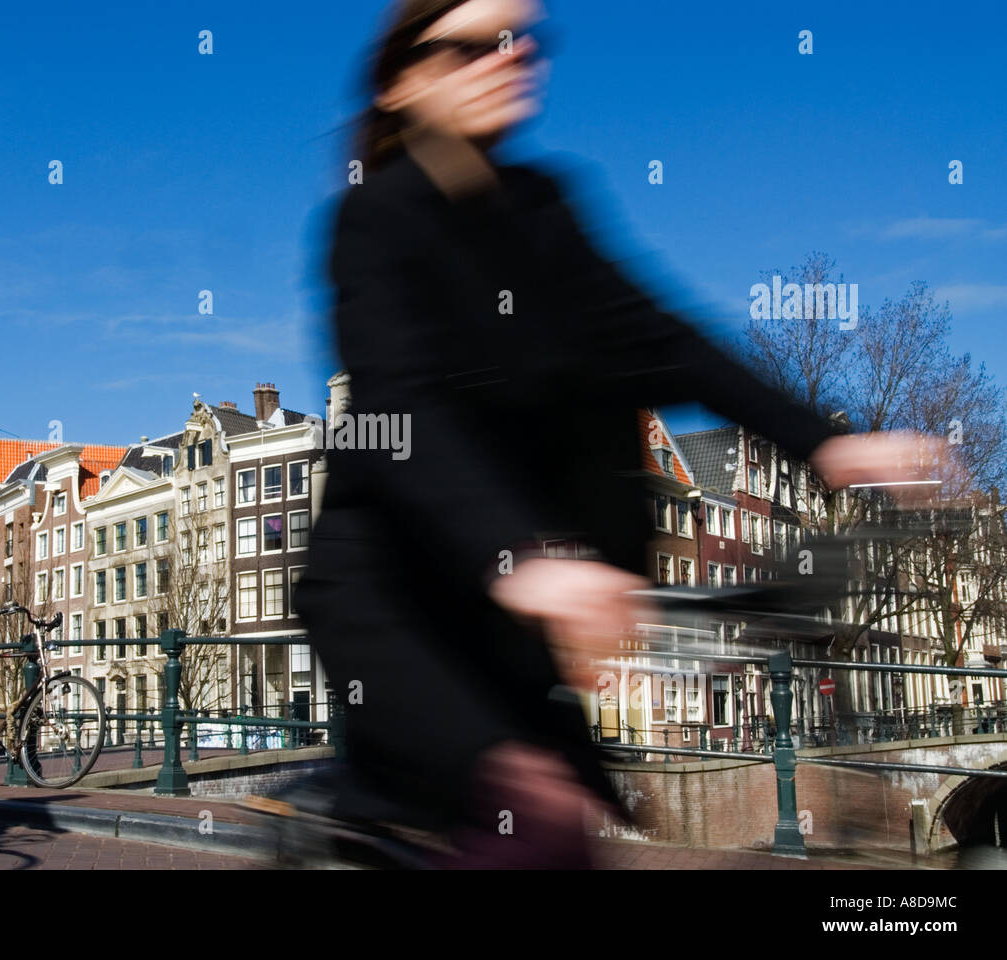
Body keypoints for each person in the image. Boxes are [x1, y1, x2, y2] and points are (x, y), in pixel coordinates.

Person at [292, 0, 933, 868]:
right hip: (398, 600)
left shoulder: (547, 206)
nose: (510, 58)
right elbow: (404, 412)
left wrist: (824, 443)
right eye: (477, 45)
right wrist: (523, 561)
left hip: (510, 622)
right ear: (406, 80)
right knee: (536, 823)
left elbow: (660, 339)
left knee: (575, 837)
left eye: (526, 40)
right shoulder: (375, 220)